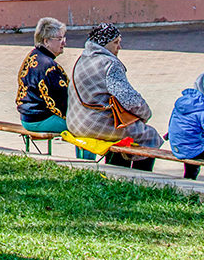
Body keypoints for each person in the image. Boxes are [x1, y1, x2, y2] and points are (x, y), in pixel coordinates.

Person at [65, 24, 163, 164]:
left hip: (75, 122)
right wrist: (146, 114)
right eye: (115, 42)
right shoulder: (109, 63)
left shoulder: (82, 59)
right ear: (104, 44)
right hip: (93, 125)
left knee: (127, 132)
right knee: (149, 135)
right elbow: (129, 100)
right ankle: (140, 178)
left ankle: (117, 169)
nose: (119, 47)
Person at [16, 17, 70, 134]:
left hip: (27, 118)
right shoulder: (49, 67)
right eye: (59, 39)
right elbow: (61, 101)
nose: (64, 42)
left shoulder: (33, 55)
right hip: (41, 119)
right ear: (46, 41)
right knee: (86, 129)